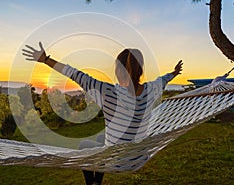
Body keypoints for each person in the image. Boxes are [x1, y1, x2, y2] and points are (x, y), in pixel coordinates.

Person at [22, 42, 183, 185]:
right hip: (138, 157)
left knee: (84, 145)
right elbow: (164, 79)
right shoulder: (151, 90)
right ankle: (97, 183)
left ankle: (90, 184)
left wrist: (45, 60)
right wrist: (175, 72)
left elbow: (75, 74)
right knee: (101, 139)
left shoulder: (107, 91)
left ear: (119, 71)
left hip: (117, 161)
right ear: (140, 70)